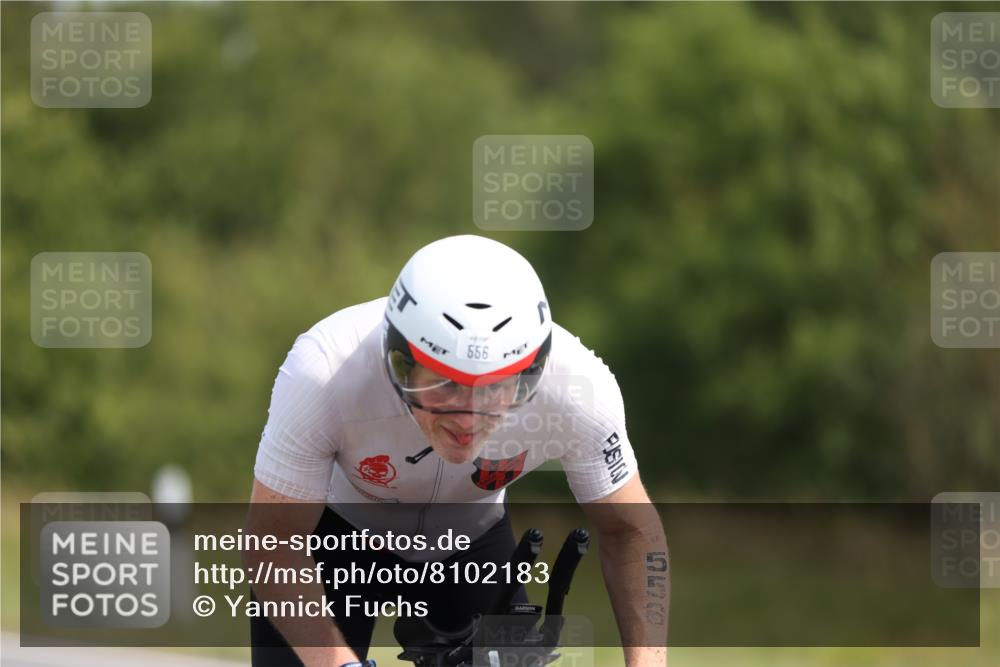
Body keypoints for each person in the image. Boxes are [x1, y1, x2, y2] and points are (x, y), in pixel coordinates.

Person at [244, 235, 669, 667]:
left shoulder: (578, 390)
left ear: (532, 371)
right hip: (338, 536)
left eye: (496, 386)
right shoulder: (324, 371)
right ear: (400, 361)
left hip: (472, 540)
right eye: (445, 383)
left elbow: (631, 529)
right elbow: (272, 538)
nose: (467, 419)